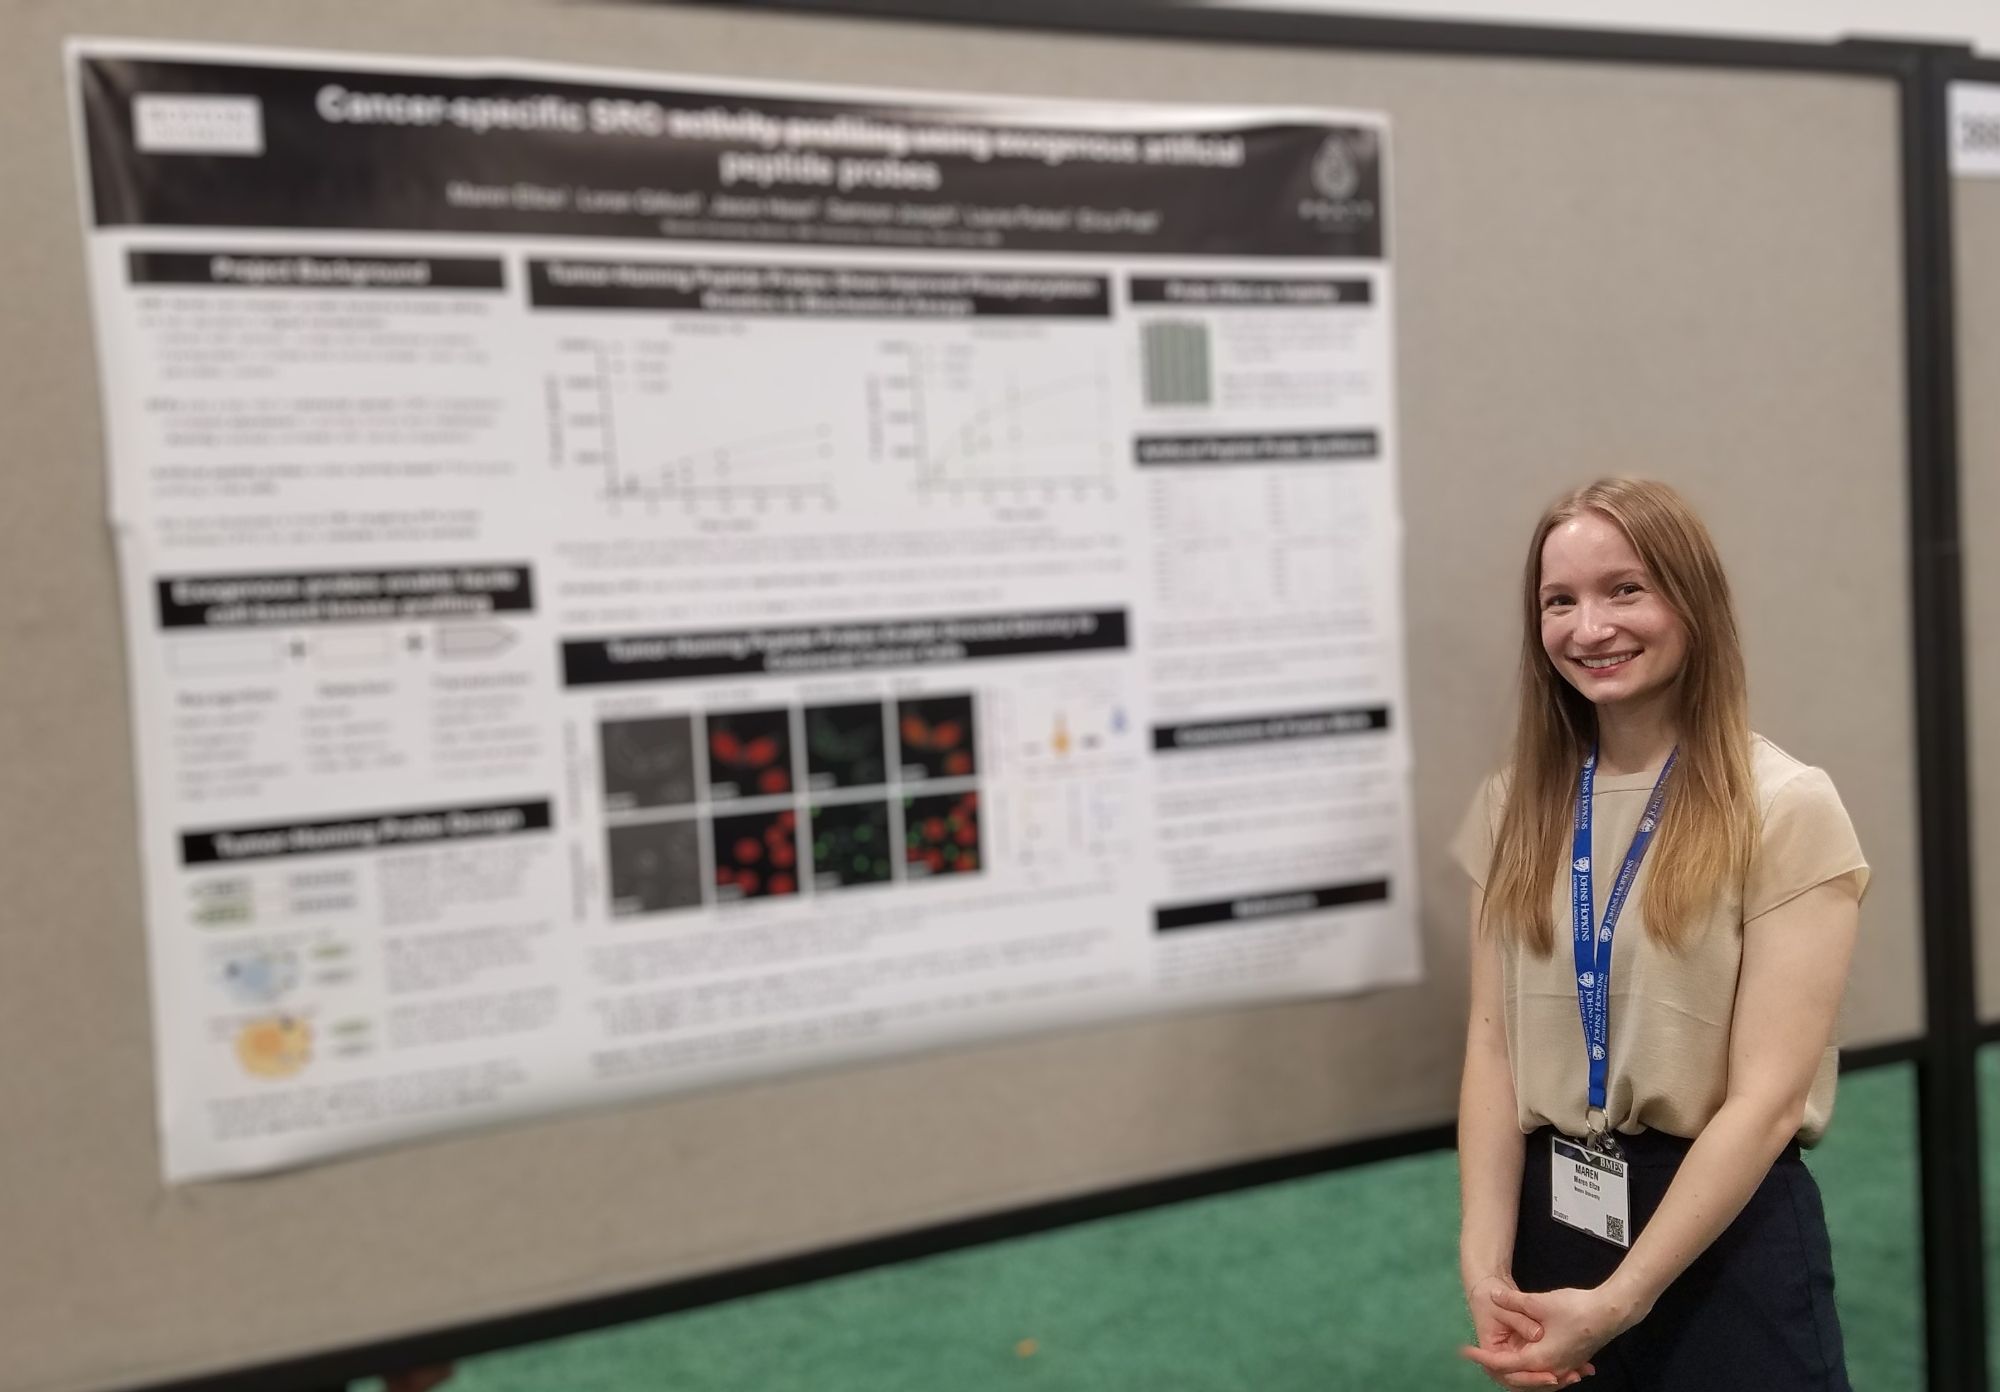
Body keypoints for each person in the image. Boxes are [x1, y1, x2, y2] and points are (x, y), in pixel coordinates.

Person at [1451, 478, 1868, 1390]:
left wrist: (1620, 1299)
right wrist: (1484, 1262)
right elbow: (1493, 1046)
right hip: (1551, 1217)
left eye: (1625, 589)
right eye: (1559, 601)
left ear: (1693, 600)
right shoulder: (1512, 807)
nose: (1589, 628)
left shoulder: (1786, 807)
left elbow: (1763, 1101)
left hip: (1722, 1231)